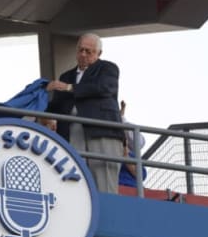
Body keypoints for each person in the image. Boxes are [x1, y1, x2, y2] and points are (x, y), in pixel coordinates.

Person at [46, 33, 125, 194]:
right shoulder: (66, 76)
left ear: (99, 53)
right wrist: (41, 96)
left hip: (101, 131)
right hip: (71, 133)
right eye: (80, 50)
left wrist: (70, 88)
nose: (83, 54)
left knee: (104, 183)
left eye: (88, 51)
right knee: (74, 181)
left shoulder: (107, 68)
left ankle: (107, 217)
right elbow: (56, 106)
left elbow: (104, 88)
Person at [119, 100, 147, 188]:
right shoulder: (115, 148)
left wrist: (125, 155)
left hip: (130, 187)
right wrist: (121, 115)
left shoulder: (133, 156)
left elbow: (140, 175)